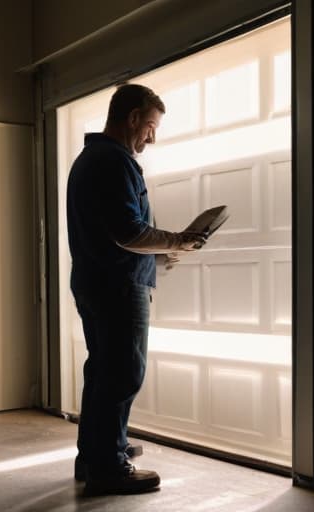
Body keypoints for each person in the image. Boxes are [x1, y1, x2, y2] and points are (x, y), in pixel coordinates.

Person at [66, 83, 206, 496]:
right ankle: (109, 466)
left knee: (103, 368)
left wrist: (159, 257)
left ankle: (96, 452)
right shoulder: (113, 161)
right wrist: (178, 241)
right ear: (131, 119)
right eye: (149, 126)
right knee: (124, 372)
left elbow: (110, 234)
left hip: (98, 281)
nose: (152, 136)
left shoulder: (91, 160)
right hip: (117, 287)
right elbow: (127, 231)